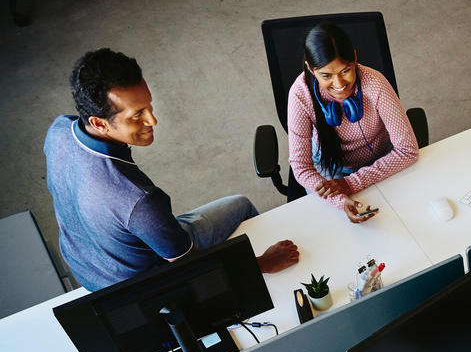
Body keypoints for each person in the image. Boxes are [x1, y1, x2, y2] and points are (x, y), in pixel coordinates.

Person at [45, 48, 298, 292]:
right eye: (137, 114)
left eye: (149, 106)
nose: (152, 120)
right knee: (240, 205)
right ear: (99, 123)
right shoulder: (138, 201)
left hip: (86, 268)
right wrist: (264, 262)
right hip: (146, 284)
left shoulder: (58, 131)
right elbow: (192, 267)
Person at [287, 23, 419, 223]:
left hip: (380, 159)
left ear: (355, 58)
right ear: (310, 69)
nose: (339, 84)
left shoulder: (374, 83)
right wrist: (340, 200)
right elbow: (301, 167)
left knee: (403, 217)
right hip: (328, 170)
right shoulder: (300, 94)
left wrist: (350, 183)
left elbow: (408, 150)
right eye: (326, 75)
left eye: (345, 70)